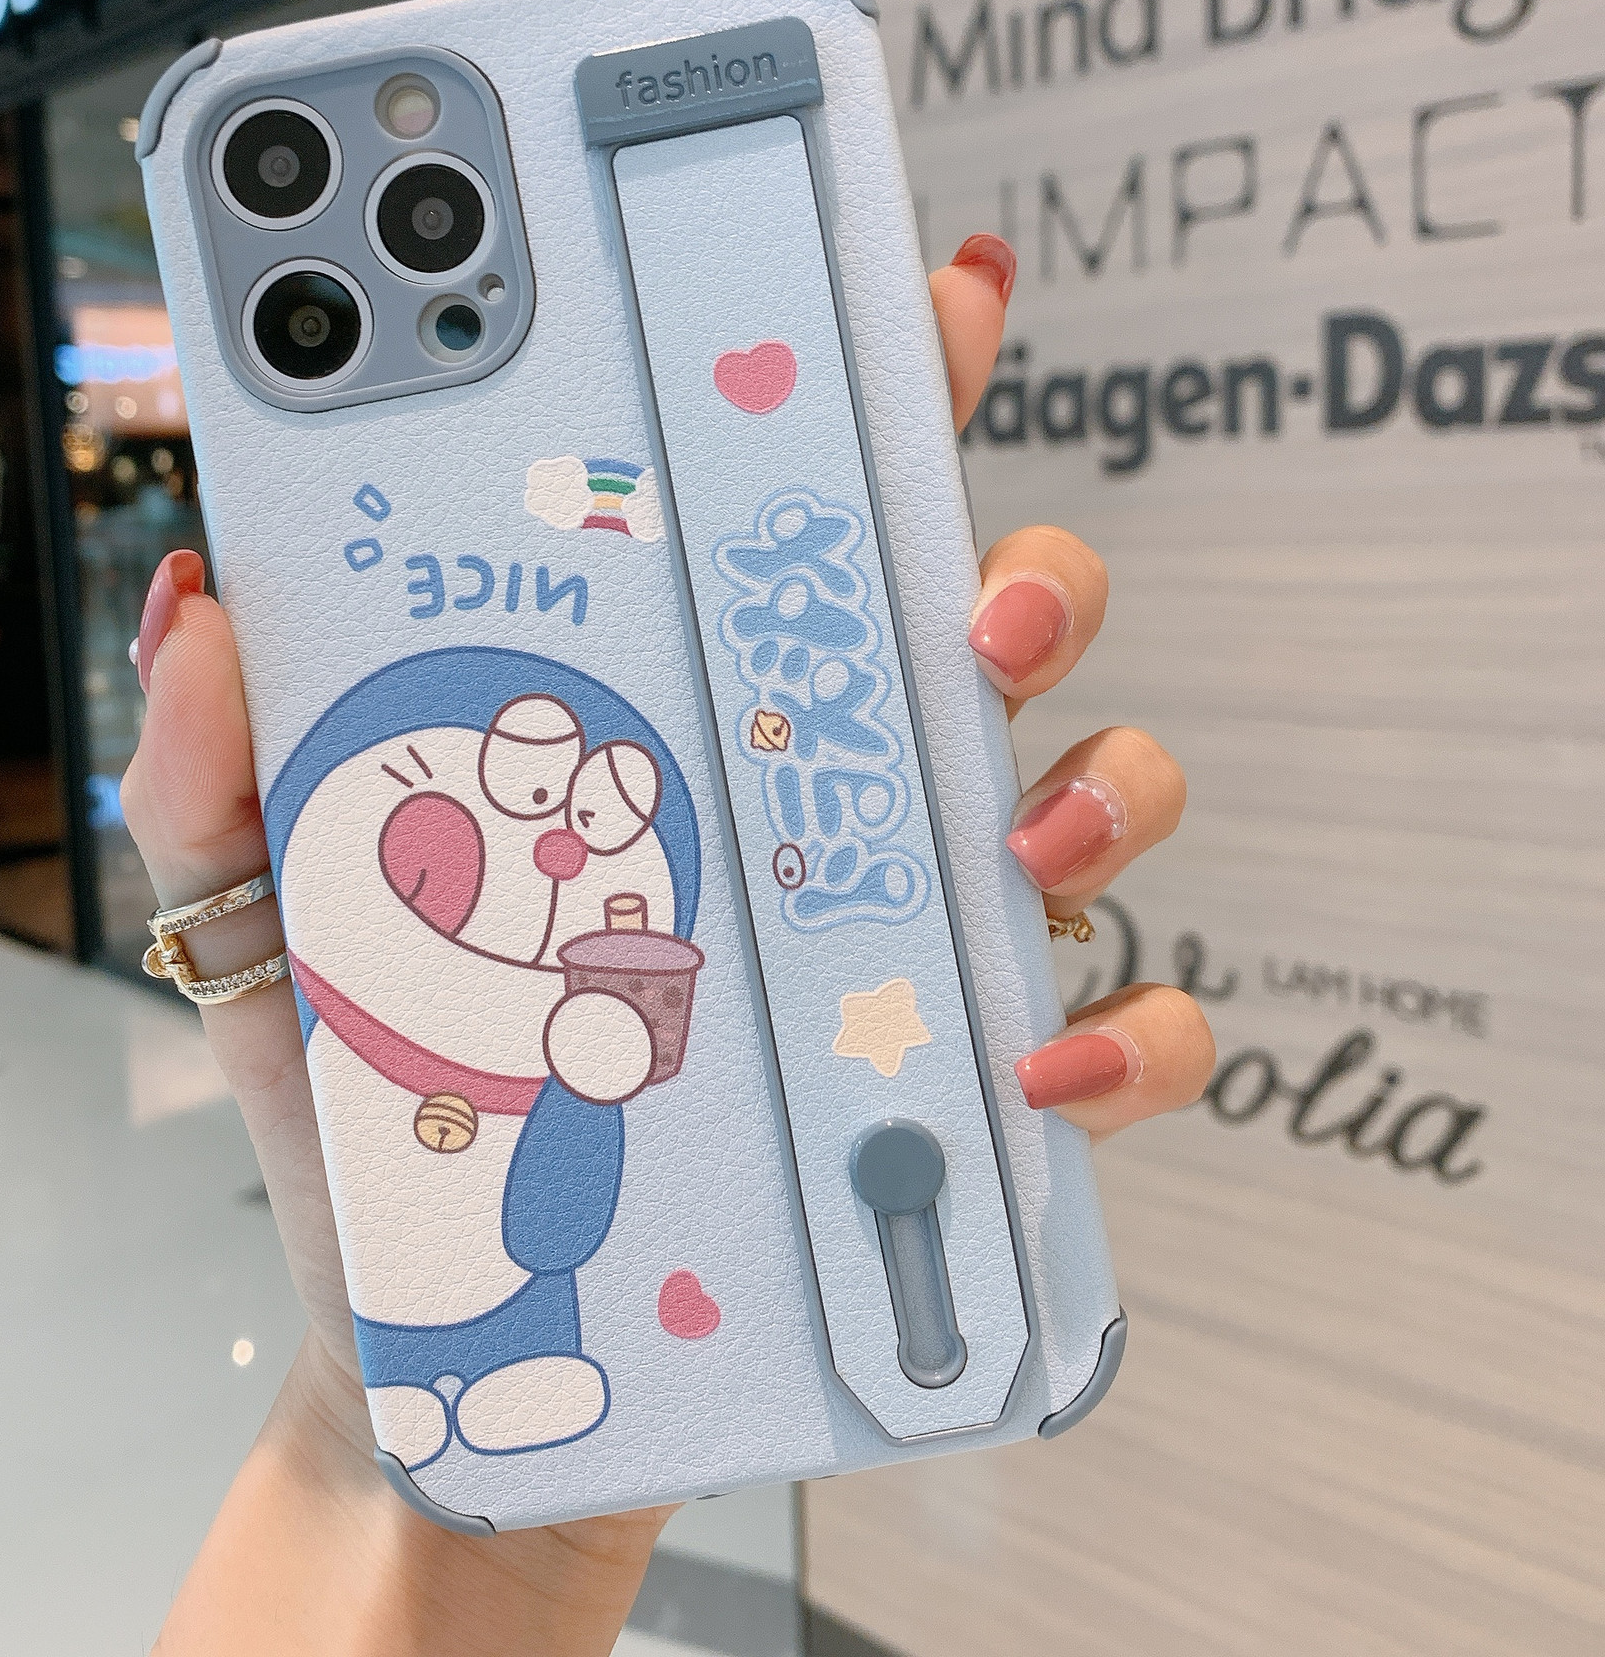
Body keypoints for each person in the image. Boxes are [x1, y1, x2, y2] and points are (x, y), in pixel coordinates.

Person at [121, 237, 1216, 1655]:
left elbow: (555, 1223)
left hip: (535, 1340)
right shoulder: (381, 960)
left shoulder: (583, 1050)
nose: (539, 866)